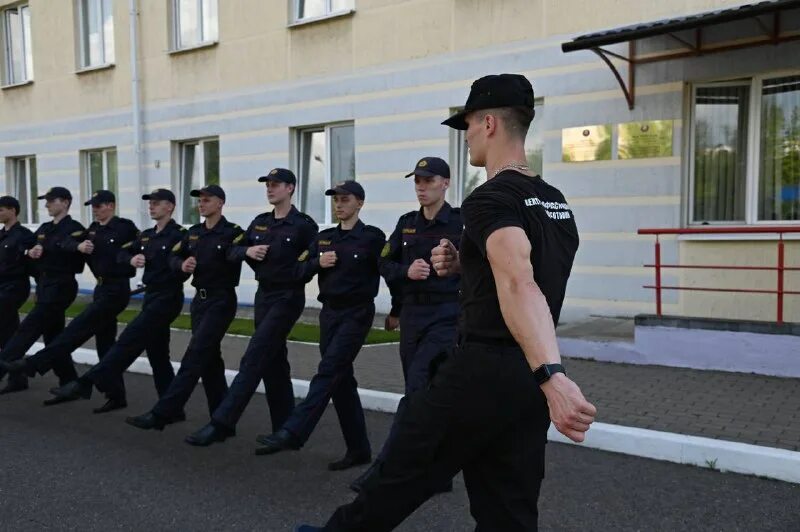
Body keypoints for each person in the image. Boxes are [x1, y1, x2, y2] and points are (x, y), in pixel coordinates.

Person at [300, 74, 596, 532]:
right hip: (524, 382)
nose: (468, 135)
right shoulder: (554, 202)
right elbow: (525, 271)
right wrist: (467, 264)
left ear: (491, 123)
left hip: (484, 369)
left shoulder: (489, 197)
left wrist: (553, 376)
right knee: (508, 512)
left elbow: (520, 282)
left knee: (398, 475)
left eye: (470, 125)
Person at [254, 180, 386, 471]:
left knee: (328, 371)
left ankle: (293, 431)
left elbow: (389, 269)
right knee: (341, 382)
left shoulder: (373, 237)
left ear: (360, 203)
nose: (339, 204)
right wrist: (318, 263)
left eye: (345, 199)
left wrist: (399, 309)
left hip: (357, 313)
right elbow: (297, 271)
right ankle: (359, 449)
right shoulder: (324, 239)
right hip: (329, 314)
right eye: (336, 199)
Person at [350, 156, 462, 493]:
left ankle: (386, 469)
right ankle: (438, 472)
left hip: (446, 317)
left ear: (445, 183)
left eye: (428, 181)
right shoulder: (407, 223)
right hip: (413, 316)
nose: (422, 187)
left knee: (416, 391)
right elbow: (383, 263)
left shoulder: (460, 223)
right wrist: (405, 273)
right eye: (417, 181)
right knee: (424, 396)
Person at [185, 169, 317, 446]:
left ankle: (222, 422)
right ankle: (285, 431)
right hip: (264, 295)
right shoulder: (260, 223)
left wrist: (292, 272)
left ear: (290, 188)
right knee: (274, 362)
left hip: (287, 297)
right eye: (267, 185)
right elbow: (232, 251)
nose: (270, 189)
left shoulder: (303, 225)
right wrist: (248, 252)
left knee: (254, 356)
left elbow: (312, 263)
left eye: (276, 184)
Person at [49, 189, 187, 412]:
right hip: (150, 295)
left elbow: (179, 262)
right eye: (150, 203)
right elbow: (121, 254)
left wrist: (180, 266)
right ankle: (171, 407)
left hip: (167, 296)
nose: (151, 206)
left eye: (157, 203)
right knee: (158, 354)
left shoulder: (179, 234)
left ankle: (86, 383)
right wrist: (131, 258)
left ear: (170, 206)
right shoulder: (147, 235)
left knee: (127, 341)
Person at [3, 190, 139, 410]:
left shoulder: (123, 226)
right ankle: (115, 395)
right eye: (92, 206)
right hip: (99, 287)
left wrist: (132, 258)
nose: (94, 209)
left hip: (113, 288)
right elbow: (65, 244)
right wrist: (37, 249)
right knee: (103, 344)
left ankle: (31, 364)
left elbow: (138, 245)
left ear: (111, 206)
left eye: (99, 205)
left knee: (74, 328)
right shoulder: (91, 231)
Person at [126, 184, 244, 431]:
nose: (201, 203)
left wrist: (244, 252)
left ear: (220, 203)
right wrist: (182, 264)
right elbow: (173, 256)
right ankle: (222, 421)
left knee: (195, 354)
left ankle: (163, 413)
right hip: (199, 302)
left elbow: (237, 252)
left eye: (207, 199)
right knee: (210, 358)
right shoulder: (193, 233)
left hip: (220, 300)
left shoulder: (232, 231)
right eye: (200, 200)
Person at [0, 187, 85, 395]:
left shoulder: (74, 228)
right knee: (53, 337)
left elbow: (72, 250)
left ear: (65, 202)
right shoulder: (44, 228)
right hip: (46, 285)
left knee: (27, 329)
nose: (46, 205)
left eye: (50, 200)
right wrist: (32, 252)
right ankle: (70, 382)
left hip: (61, 285)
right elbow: (30, 250)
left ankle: (4, 368)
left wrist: (48, 250)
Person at [0, 196, 36, 390]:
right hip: (2, 286)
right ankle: (18, 378)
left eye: (1, 210)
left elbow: (31, 262)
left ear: (12, 210)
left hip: (15, 286)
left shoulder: (23, 235)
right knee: (9, 332)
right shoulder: (2, 235)